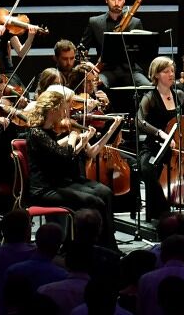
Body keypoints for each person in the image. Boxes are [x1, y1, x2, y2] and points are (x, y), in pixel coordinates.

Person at [22, 85, 121, 249]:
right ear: (53, 110)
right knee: (94, 201)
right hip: (44, 189)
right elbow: (65, 157)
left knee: (104, 192)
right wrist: (73, 138)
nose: (64, 112)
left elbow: (67, 157)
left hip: (57, 183)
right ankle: (90, 246)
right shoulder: (36, 133)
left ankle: (107, 244)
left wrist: (79, 141)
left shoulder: (49, 132)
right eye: (62, 108)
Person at [134, 57, 184, 219]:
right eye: (166, 71)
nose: (171, 74)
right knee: (149, 169)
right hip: (154, 147)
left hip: (178, 149)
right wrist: (161, 133)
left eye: (172, 70)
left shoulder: (179, 95)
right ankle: (160, 213)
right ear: (156, 75)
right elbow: (139, 121)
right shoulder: (149, 97)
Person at [80, 0, 150, 87]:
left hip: (131, 71)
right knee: (94, 86)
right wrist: (87, 63)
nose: (117, 3)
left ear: (124, 0)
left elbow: (142, 52)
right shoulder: (94, 22)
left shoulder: (135, 22)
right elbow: (81, 49)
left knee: (148, 87)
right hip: (106, 70)